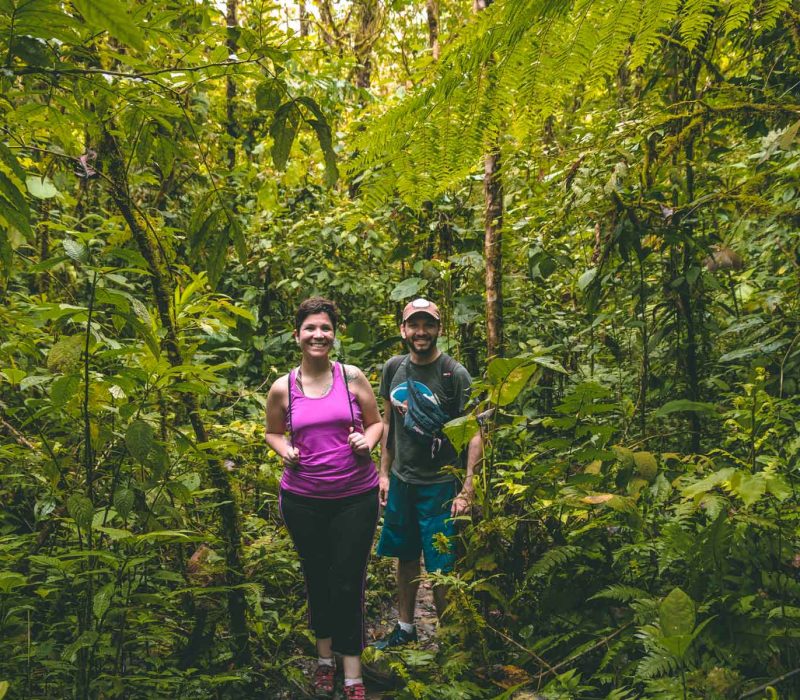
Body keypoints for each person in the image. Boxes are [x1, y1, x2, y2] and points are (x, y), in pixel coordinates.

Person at [265, 297, 383, 700]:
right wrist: (285, 451)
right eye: (310, 328)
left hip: (356, 496)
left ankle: (352, 673)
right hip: (303, 499)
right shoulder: (283, 386)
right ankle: (323, 661)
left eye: (325, 328)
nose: (318, 335)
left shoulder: (352, 377)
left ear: (335, 334)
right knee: (317, 577)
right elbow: (273, 432)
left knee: (348, 580)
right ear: (296, 334)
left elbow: (376, 422)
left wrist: (365, 443)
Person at [373, 298, 483, 649]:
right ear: (403, 330)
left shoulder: (455, 374)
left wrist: (467, 488)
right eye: (414, 324)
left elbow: (475, 433)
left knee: (441, 566)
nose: (421, 332)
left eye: (428, 324)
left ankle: (449, 640)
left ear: (439, 329)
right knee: (405, 558)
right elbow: (388, 423)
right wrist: (384, 473)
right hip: (404, 481)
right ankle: (405, 628)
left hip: (440, 485)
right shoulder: (393, 368)